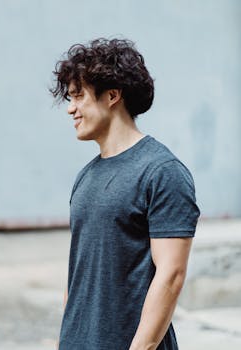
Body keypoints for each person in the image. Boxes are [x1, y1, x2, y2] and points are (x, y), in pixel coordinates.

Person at [50, 38, 200, 349]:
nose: (70, 108)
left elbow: (171, 275)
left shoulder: (162, 171)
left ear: (113, 95)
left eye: (78, 96)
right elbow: (78, 275)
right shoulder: (86, 176)